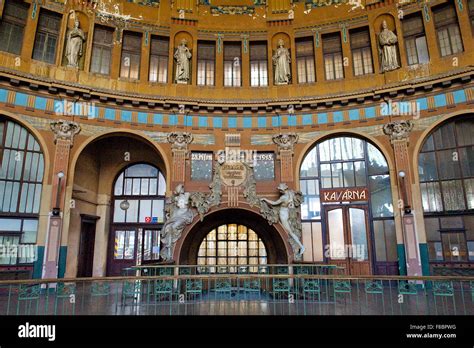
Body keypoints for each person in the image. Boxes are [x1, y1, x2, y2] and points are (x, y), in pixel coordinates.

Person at [260, 183, 305, 258]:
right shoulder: (291, 193)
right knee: (289, 231)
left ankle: (301, 246)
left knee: (288, 232)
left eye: (281, 190)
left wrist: (265, 199)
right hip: (288, 213)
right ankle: (300, 246)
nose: (280, 191)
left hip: (283, 214)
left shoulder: (283, 197)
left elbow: (274, 203)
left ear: (284, 189)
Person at [160, 184, 195, 260]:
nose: (182, 190)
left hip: (184, 216)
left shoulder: (187, 194)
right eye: (180, 188)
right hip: (177, 215)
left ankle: (169, 247)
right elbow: (169, 203)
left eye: (182, 188)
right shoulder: (176, 198)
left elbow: (193, 200)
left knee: (172, 227)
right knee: (169, 227)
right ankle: (168, 248)